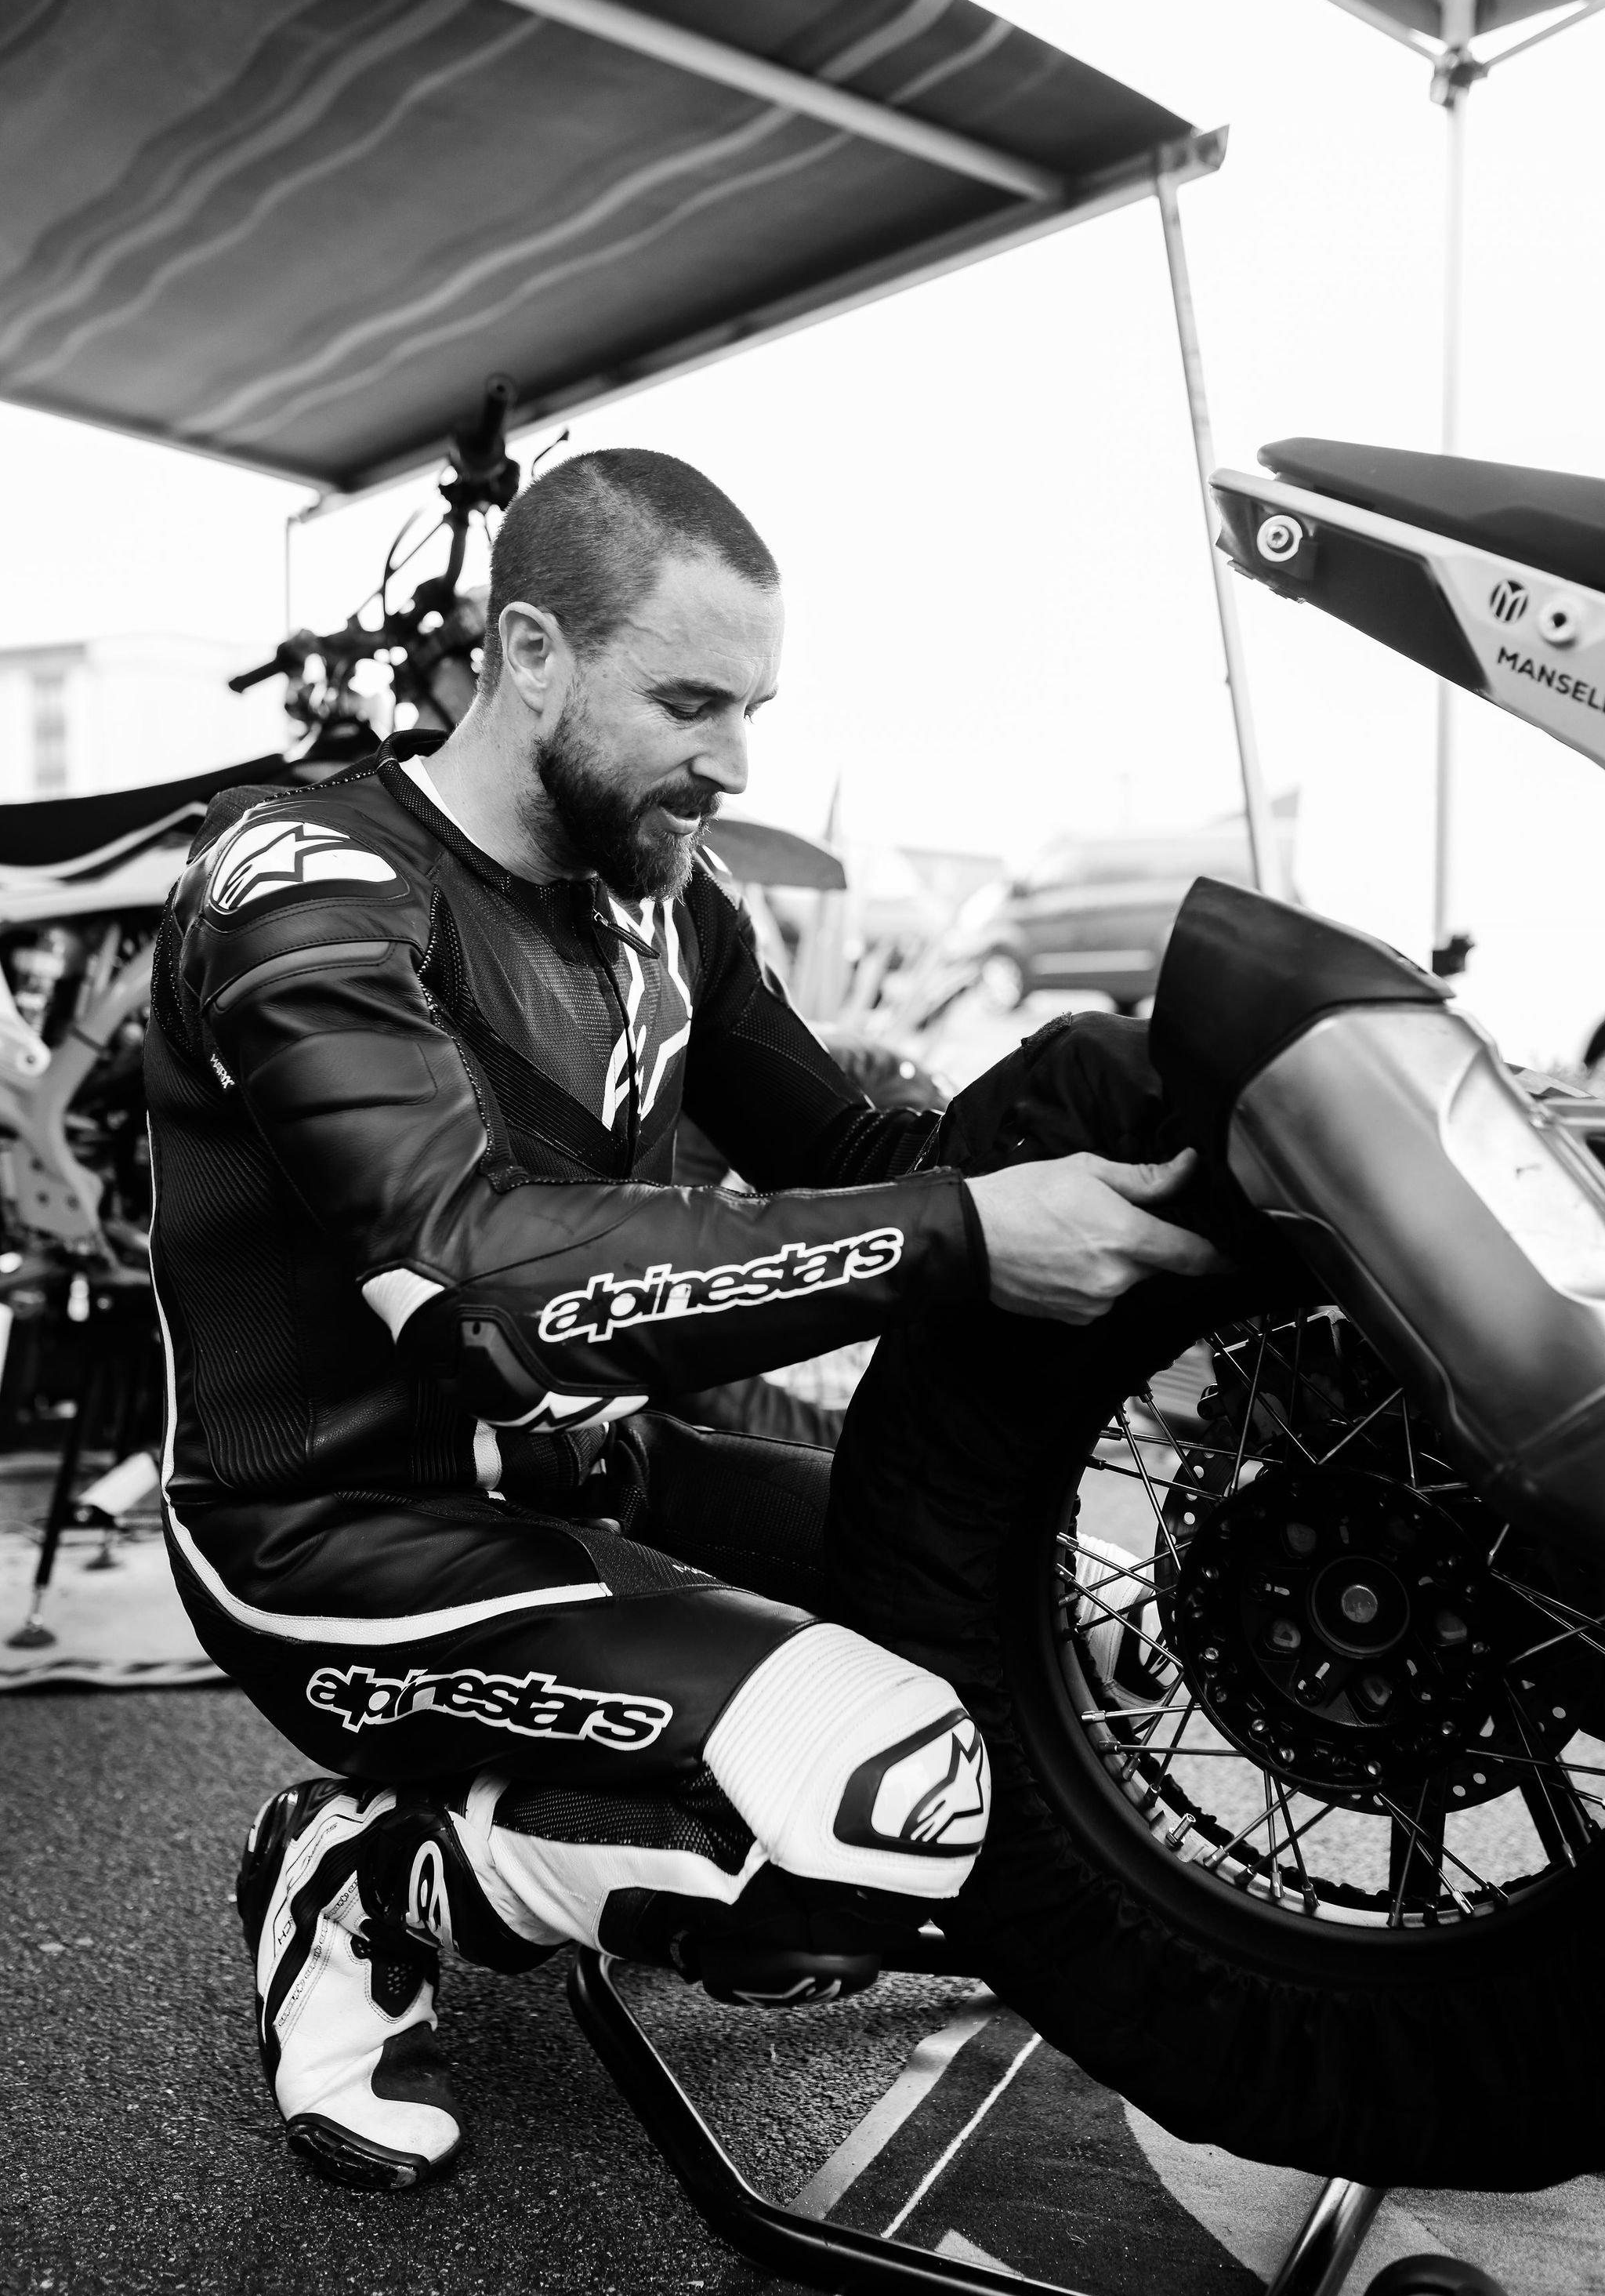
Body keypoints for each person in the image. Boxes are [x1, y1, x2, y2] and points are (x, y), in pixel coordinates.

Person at [145, 448, 1225, 2191]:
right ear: (530, 653)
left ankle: (637, 1828)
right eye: (689, 703)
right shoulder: (298, 878)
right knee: (890, 1799)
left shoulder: (667, 900)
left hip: (599, 1472)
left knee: (1083, 1621)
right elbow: (475, 1281)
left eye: (754, 709)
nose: (733, 762)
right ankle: (369, 1871)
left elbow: (858, 1160)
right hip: (329, 1528)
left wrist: (1121, 1109)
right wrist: (963, 1235)